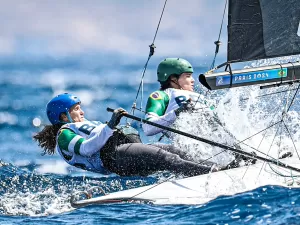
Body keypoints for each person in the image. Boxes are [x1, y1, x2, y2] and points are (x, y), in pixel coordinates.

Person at [33, 93, 221, 177]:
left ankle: (220, 167)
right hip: (114, 157)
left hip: (121, 152)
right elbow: (87, 148)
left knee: (175, 150)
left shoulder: (82, 124)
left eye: (80, 108)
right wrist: (111, 125)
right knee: (168, 158)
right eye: (76, 109)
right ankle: (214, 174)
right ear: (63, 116)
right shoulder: (64, 135)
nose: (81, 112)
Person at [142, 58, 257, 167]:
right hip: (192, 152)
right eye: (188, 76)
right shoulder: (162, 95)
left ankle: (242, 155)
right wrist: (177, 112)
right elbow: (148, 128)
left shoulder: (200, 96)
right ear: (173, 79)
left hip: (222, 145)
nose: (192, 80)